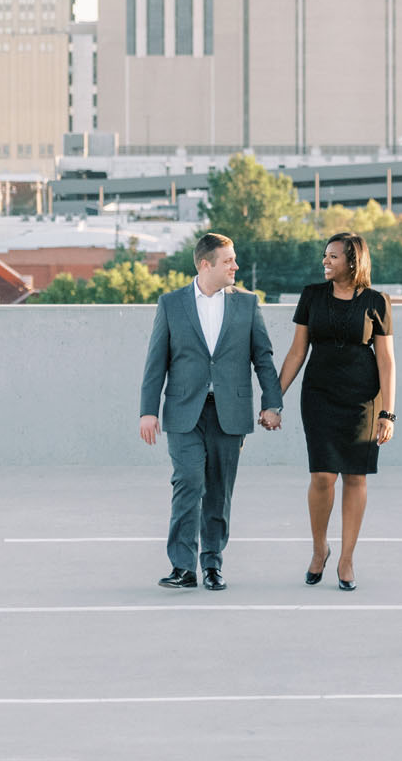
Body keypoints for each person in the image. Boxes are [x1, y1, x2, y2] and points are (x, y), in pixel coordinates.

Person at [138, 232, 282, 590]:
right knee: (188, 481)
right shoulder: (171, 304)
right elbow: (156, 361)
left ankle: (213, 564)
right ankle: (182, 566)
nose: (235, 265)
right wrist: (147, 410)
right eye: (228, 260)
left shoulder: (247, 304)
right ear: (206, 264)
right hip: (184, 412)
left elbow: (262, 358)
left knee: (218, 491)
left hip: (229, 411)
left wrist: (272, 403)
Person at [277, 231, 396, 591]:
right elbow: (297, 351)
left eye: (332, 257)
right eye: (325, 256)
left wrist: (387, 413)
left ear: (352, 261)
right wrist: (273, 398)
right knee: (323, 477)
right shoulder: (312, 296)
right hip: (319, 397)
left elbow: (387, 361)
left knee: (355, 477)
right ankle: (319, 550)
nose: (325, 262)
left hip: (363, 400)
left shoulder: (377, 302)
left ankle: (346, 559)